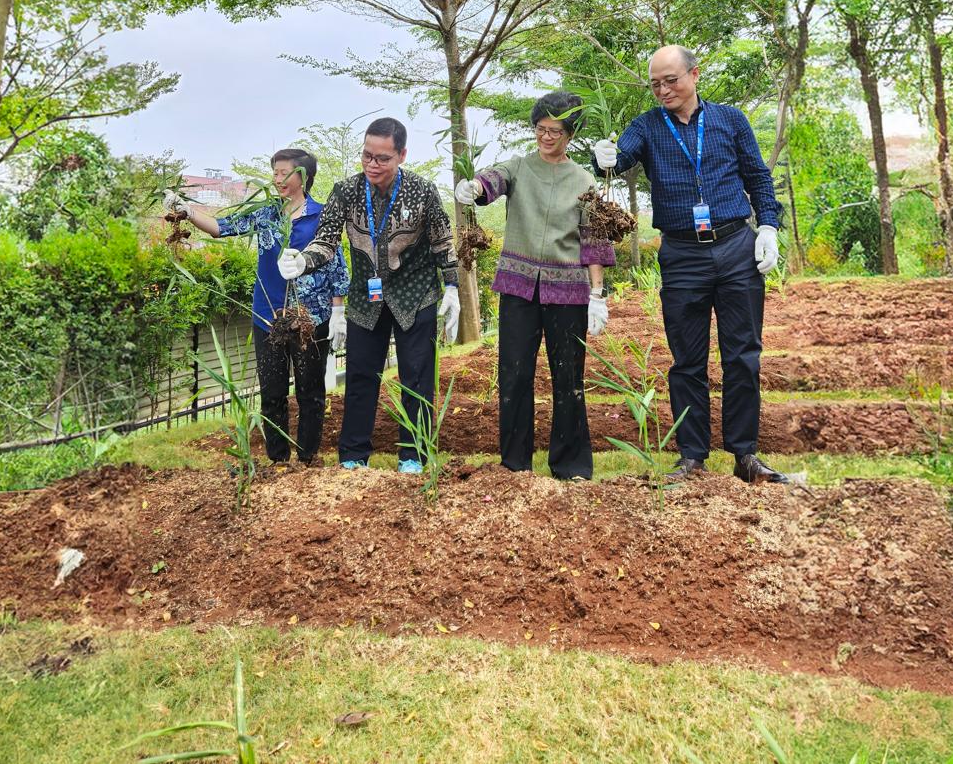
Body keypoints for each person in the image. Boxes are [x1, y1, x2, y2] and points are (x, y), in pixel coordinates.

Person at [593, 45, 788, 484]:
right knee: (687, 361)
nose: (663, 90)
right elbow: (620, 157)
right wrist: (603, 156)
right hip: (682, 255)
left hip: (736, 246)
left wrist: (768, 226)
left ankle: (745, 455)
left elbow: (758, 176)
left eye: (671, 80)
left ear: (694, 75)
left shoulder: (731, 120)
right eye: (655, 84)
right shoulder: (647, 126)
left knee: (743, 356)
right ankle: (692, 457)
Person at [279, 117, 461, 474]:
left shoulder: (423, 191)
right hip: (366, 299)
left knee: (417, 377)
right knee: (360, 376)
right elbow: (326, 241)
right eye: (367, 156)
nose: (372, 164)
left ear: (402, 155)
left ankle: (414, 455)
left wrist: (452, 287)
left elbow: (442, 241)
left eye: (382, 158)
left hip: (416, 295)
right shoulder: (346, 191)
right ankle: (353, 455)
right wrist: (303, 261)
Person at [455, 91, 612, 481]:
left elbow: (594, 238)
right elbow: (494, 179)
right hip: (519, 289)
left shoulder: (583, 179)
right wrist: (474, 187)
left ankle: (571, 466)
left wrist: (597, 294)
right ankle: (514, 464)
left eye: (555, 131)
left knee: (568, 376)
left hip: (568, 291)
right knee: (514, 374)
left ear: (570, 134)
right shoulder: (520, 167)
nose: (546, 137)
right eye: (541, 128)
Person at [166, 149, 349, 468]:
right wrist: (188, 211)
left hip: (310, 317)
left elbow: (336, 265)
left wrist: (338, 313)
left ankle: (307, 459)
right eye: (274, 172)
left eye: (283, 172)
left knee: (310, 392)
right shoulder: (266, 214)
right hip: (268, 316)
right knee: (272, 393)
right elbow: (220, 227)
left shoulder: (322, 217)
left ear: (303, 176)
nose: (277, 179)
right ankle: (278, 460)